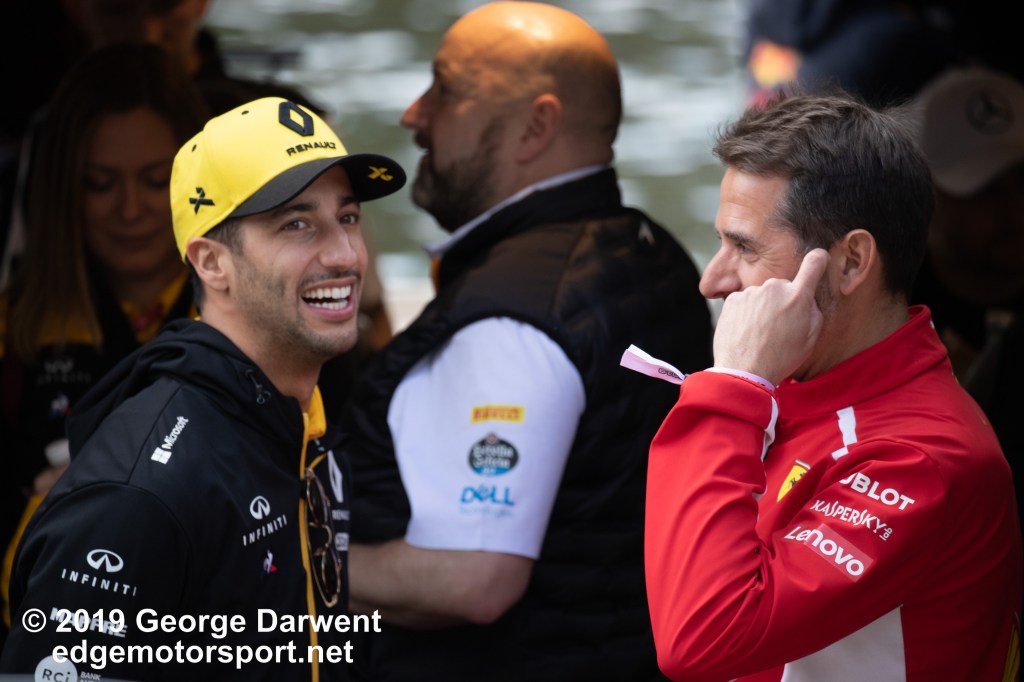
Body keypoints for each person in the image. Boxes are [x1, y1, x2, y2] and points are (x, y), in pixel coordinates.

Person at [343, 3, 712, 680]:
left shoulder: (511, 320)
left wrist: (285, 558)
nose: (413, 113)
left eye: (445, 89)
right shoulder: (652, 251)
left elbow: (473, 580)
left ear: (536, 126)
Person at [0, 96, 406, 680]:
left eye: (347, 218)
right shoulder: (140, 493)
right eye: (296, 224)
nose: (345, 254)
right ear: (212, 263)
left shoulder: (298, 422)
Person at [639, 91, 1021, 680]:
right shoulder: (798, 386)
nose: (711, 281)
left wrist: (730, 390)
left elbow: (702, 638)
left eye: (743, 246)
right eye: (720, 242)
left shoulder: (919, 457)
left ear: (850, 263)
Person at [0, 43, 209, 642]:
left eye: (156, 180)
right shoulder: (16, 332)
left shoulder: (261, 319)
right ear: (64, 188)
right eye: (100, 183)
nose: (131, 209)